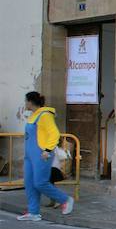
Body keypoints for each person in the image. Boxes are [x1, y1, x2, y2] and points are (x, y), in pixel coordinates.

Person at [17, 91, 74, 221]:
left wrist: (47, 150)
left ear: (30, 102)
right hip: (30, 155)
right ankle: (33, 213)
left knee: (40, 183)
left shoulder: (45, 115)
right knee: (29, 183)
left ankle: (65, 200)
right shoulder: (33, 116)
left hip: (42, 154)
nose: (25, 103)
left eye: (26, 101)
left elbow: (54, 134)